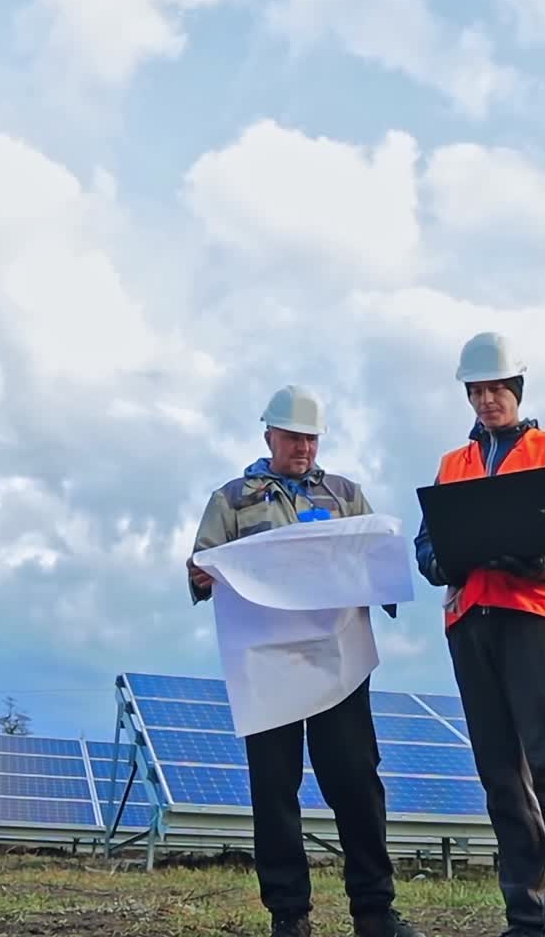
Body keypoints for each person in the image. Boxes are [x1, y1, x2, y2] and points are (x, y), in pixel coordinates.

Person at [188, 385, 423, 937]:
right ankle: (288, 914)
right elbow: (201, 566)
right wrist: (200, 575)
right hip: (267, 667)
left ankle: (374, 909)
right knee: (274, 788)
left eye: (312, 439)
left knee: (357, 784)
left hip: (337, 664)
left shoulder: (345, 495)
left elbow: (376, 561)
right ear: (269, 435)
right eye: (294, 437)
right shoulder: (233, 500)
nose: (305, 449)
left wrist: (387, 578)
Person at [414, 333, 545, 937]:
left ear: (516, 390)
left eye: (496, 389)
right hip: (472, 626)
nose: (487, 400)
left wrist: (542, 564)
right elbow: (427, 546)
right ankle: (525, 918)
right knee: (501, 776)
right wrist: (444, 562)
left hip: (538, 622)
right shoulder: (452, 464)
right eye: (477, 390)